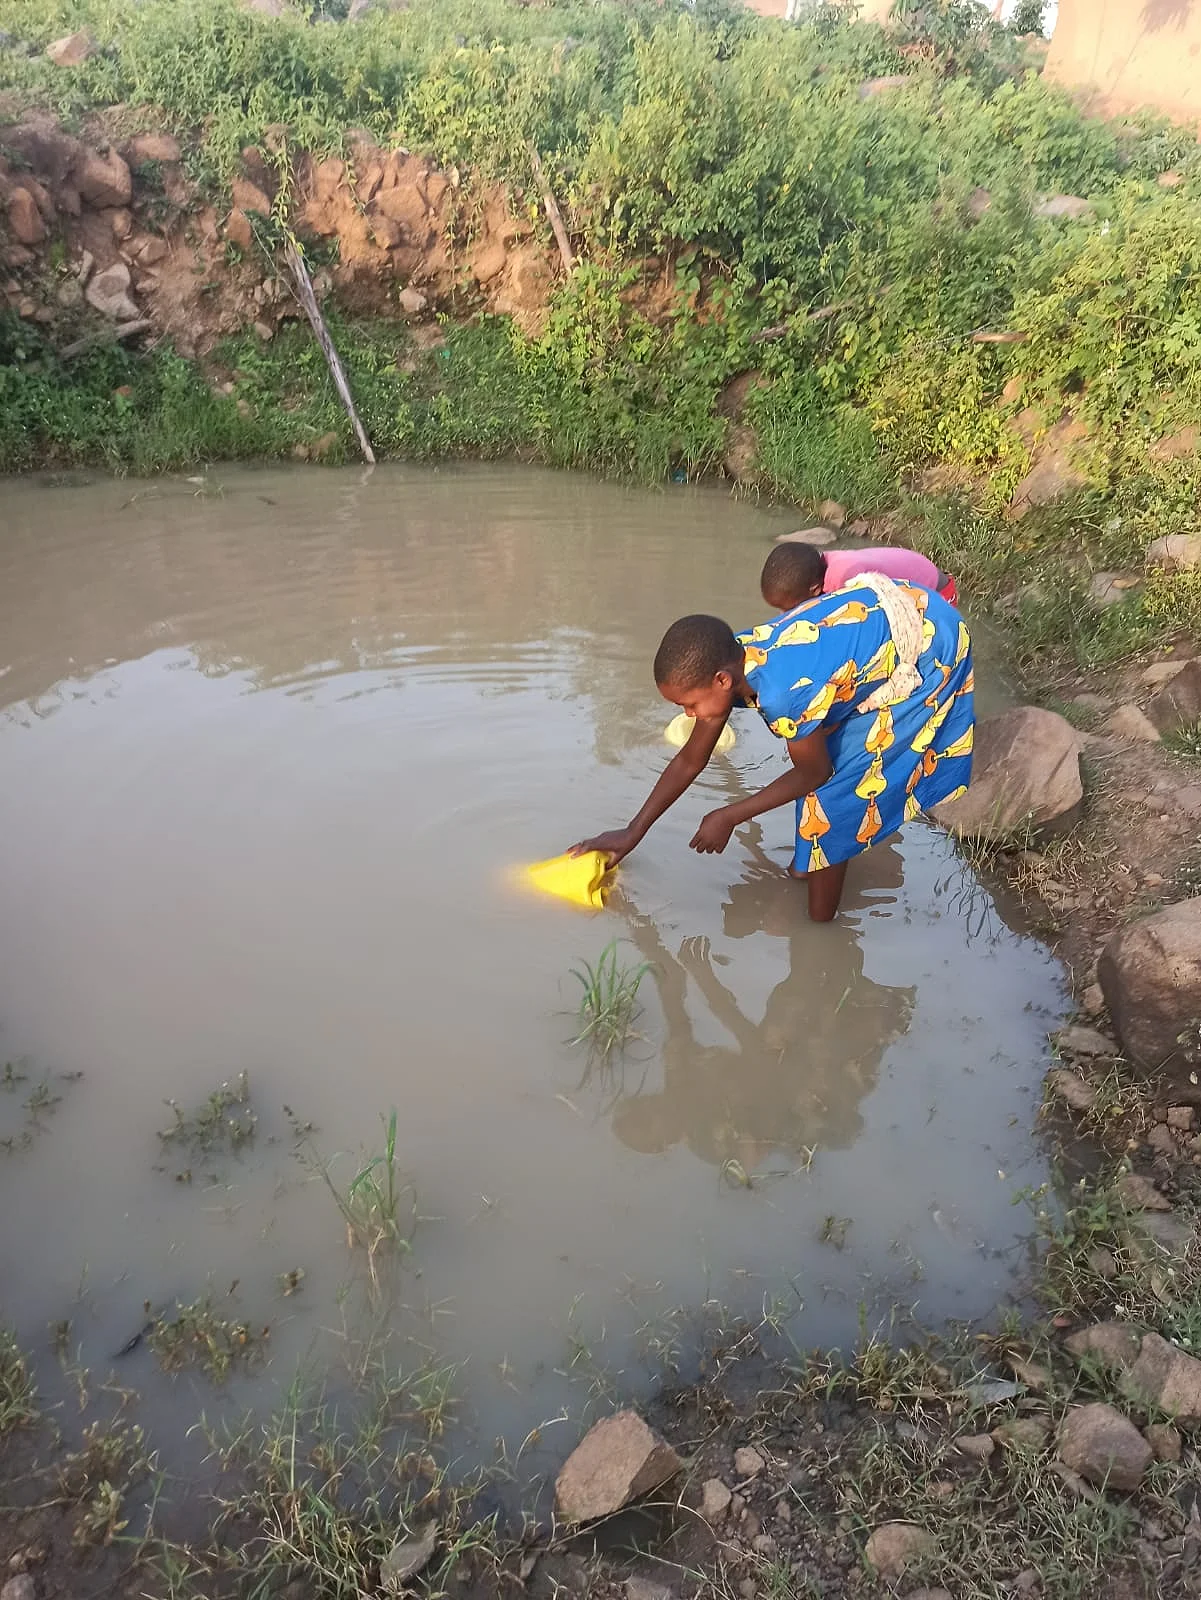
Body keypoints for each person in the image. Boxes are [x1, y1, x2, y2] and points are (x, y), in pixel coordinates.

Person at [572, 576, 974, 922]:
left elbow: (814, 774)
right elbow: (691, 759)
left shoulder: (783, 695)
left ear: (721, 681)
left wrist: (729, 815)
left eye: (689, 704)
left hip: (930, 643)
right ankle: (807, 868)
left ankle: (821, 927)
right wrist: (633, 832)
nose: (688, 715)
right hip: (894, 613)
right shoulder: (734, 661)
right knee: (821, 760)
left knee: (834, 796)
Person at [762, 541, 958, 611]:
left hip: (936, 593)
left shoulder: (846, 579)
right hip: (907, 583)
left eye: (788, 608)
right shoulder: (814, 570)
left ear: (815, 590)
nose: (784, 614)